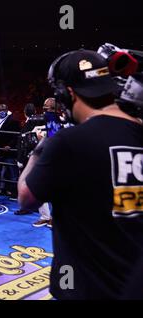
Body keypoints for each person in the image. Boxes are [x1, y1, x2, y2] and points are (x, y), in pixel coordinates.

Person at [18, 49, 143, 299]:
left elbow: (26, 197)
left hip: (86, 288)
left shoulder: (68, 142)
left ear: (69, 93)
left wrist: (39, 150)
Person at [0, 103, 20, 198]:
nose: (2, 111)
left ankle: (13, 193)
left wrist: (10, 145)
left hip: (9, 151)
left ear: (7, 110)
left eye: (4, 110)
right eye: (0, 109)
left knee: (12, 172)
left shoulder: (13, 121)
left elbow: (16, 136)